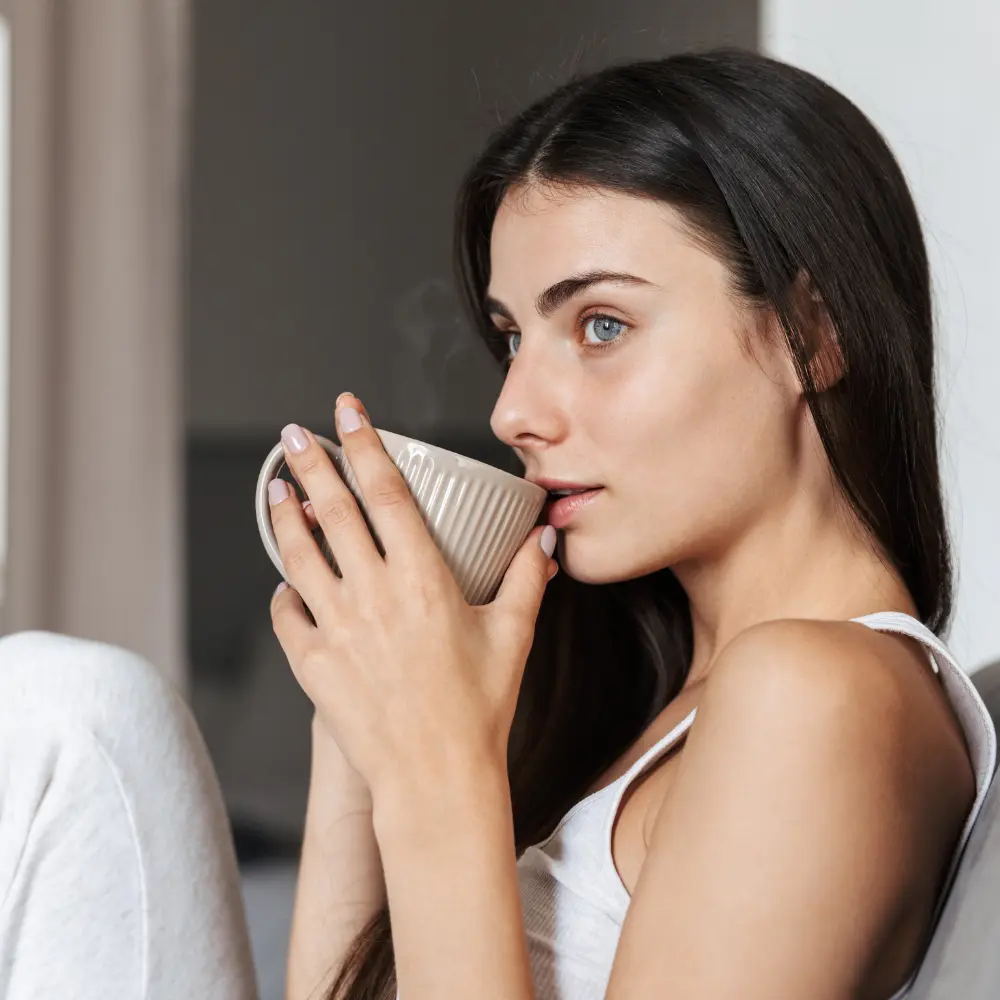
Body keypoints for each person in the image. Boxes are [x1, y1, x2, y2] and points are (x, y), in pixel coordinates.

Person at [0, 46, 995, 1000]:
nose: (511, 410)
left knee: (71, 716)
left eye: (601, 325)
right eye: (514, 337)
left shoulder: (819, 693)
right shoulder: (655, 699)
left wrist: (440, 767)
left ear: (813, 334)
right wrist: (362, 718)